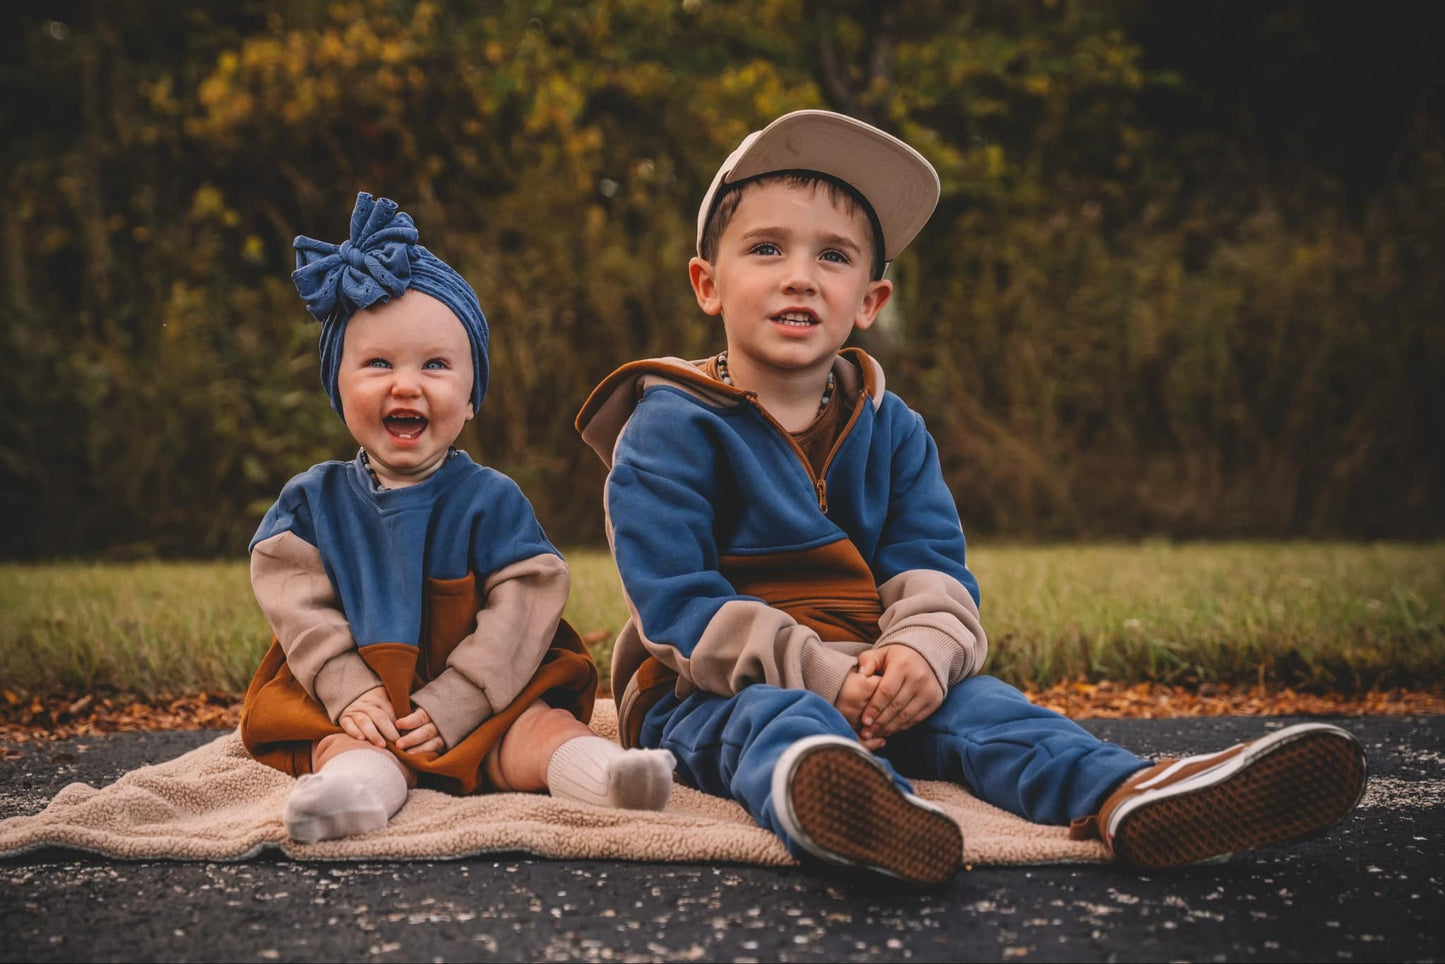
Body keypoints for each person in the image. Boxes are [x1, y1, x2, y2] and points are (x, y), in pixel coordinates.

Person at [574, 110, 1367, 885]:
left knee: (990, 713)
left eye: (834, 257)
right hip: (701, 691)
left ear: (869, 303)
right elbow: (677, 602)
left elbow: (929, 566)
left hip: (874, 673)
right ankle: (847, 803)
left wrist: (921, 653)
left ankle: (1128, 795)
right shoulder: (669, 425)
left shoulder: (892, 428)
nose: (799, 276)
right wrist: (820, 677)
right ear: (708, 285)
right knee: (780, 725)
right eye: (767, 248)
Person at [241, 192, 675, 844]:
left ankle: (604, 775)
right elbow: (295, 600)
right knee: (342, 744)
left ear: (472, 398)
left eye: (436, 365)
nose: (406, 384)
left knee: (540, 728)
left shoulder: (488, 498)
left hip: (486, 693)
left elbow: (528, 595)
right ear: (337, 386)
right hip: (359, 700)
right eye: (378, 363)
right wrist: (344, 685)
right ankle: (354, 793)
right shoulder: (315, 501)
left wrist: (463, 697)